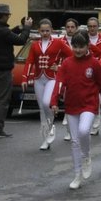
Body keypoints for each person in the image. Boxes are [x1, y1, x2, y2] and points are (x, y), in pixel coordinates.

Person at [53, 30, 101, 190]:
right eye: (75, 46)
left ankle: (86, 156)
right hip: (71, 106)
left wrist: (91, 93)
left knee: (84, 131)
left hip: (89, 105)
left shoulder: (94, 64)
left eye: (81, 47)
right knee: (74, 141)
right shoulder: (67, 63)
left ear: (87, 46)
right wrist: (54, 101)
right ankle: (77, 174)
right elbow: (59, 83)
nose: (77, 50)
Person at [0, 3, 30, 138]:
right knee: (3, 99)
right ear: (4, 16)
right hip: (3, 69)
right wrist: (26, 29)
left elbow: (8, 35)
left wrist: (20, 27)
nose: (8, 17)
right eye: (8, 15)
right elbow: (20, 40)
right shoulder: (3, 31)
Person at [24, 17, 71, 150]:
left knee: (46, 103)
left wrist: (60, 66)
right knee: (41, 109)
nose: (45, 33)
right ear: (39, 31)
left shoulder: (58, 43)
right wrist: (24, 77)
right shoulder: (34, 45)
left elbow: (71, 56)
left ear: (52, 30)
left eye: (47, 30)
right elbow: (29, 61)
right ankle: (45, 138)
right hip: (39, 78)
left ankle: (51, 126)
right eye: (42, 31)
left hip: (52, 78)